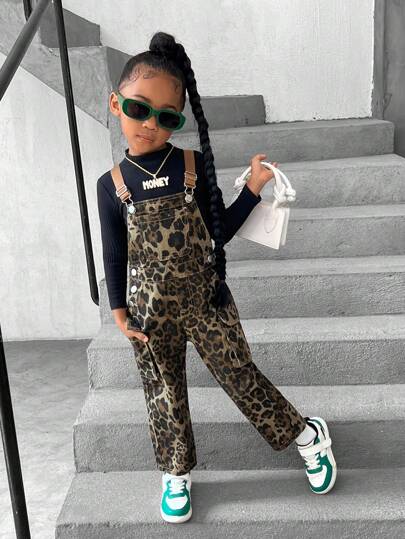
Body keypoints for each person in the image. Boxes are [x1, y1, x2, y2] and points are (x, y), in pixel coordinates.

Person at [96, 30, 337, 525]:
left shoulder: (191, 165)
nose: (151, 124)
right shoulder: (111, 184)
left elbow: (219, 230)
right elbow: (115, 252)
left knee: (239, 375)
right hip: (149, 311)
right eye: (139, 109)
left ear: (179, 120)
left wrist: (252, 187)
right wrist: (118, 310)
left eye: (167, 117)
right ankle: (175, 471)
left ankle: (307, 435)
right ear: (116, 104)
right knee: (163, 391)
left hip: (207, 302)